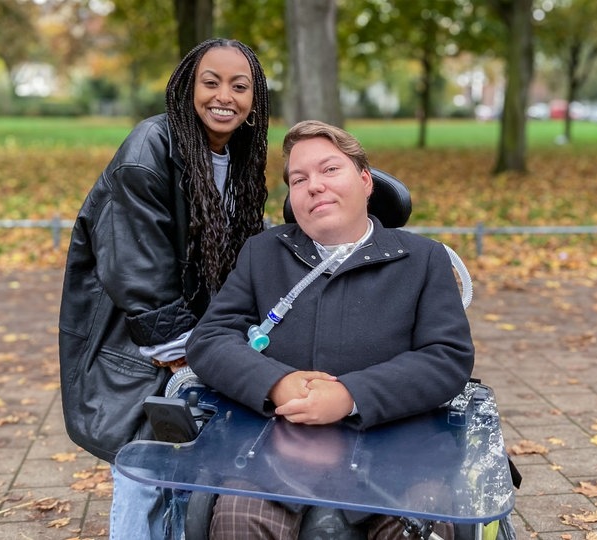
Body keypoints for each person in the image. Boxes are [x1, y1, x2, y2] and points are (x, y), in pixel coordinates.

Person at [186, 120, 475, 539]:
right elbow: (210, 339)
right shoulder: (264, 253)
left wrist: (350, 395)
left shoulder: (422, 259)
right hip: (276, 449)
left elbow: (447, 358)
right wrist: (276, 383)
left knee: (424, 524)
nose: (314, 186)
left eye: (329, 170)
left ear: (365, 180)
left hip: (396, 448)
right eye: (298, 179)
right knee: (236, 520)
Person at [58, 38, 270, 540]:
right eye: (211, 82)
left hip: (198, 335)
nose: (225, 96)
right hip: (139, 338)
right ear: (186, 87)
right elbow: (136, 267)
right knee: (146, 463)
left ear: (255, 97)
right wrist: (188, 357)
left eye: (240, 86)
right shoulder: (149, 148)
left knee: (190, 467)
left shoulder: (239, 155)